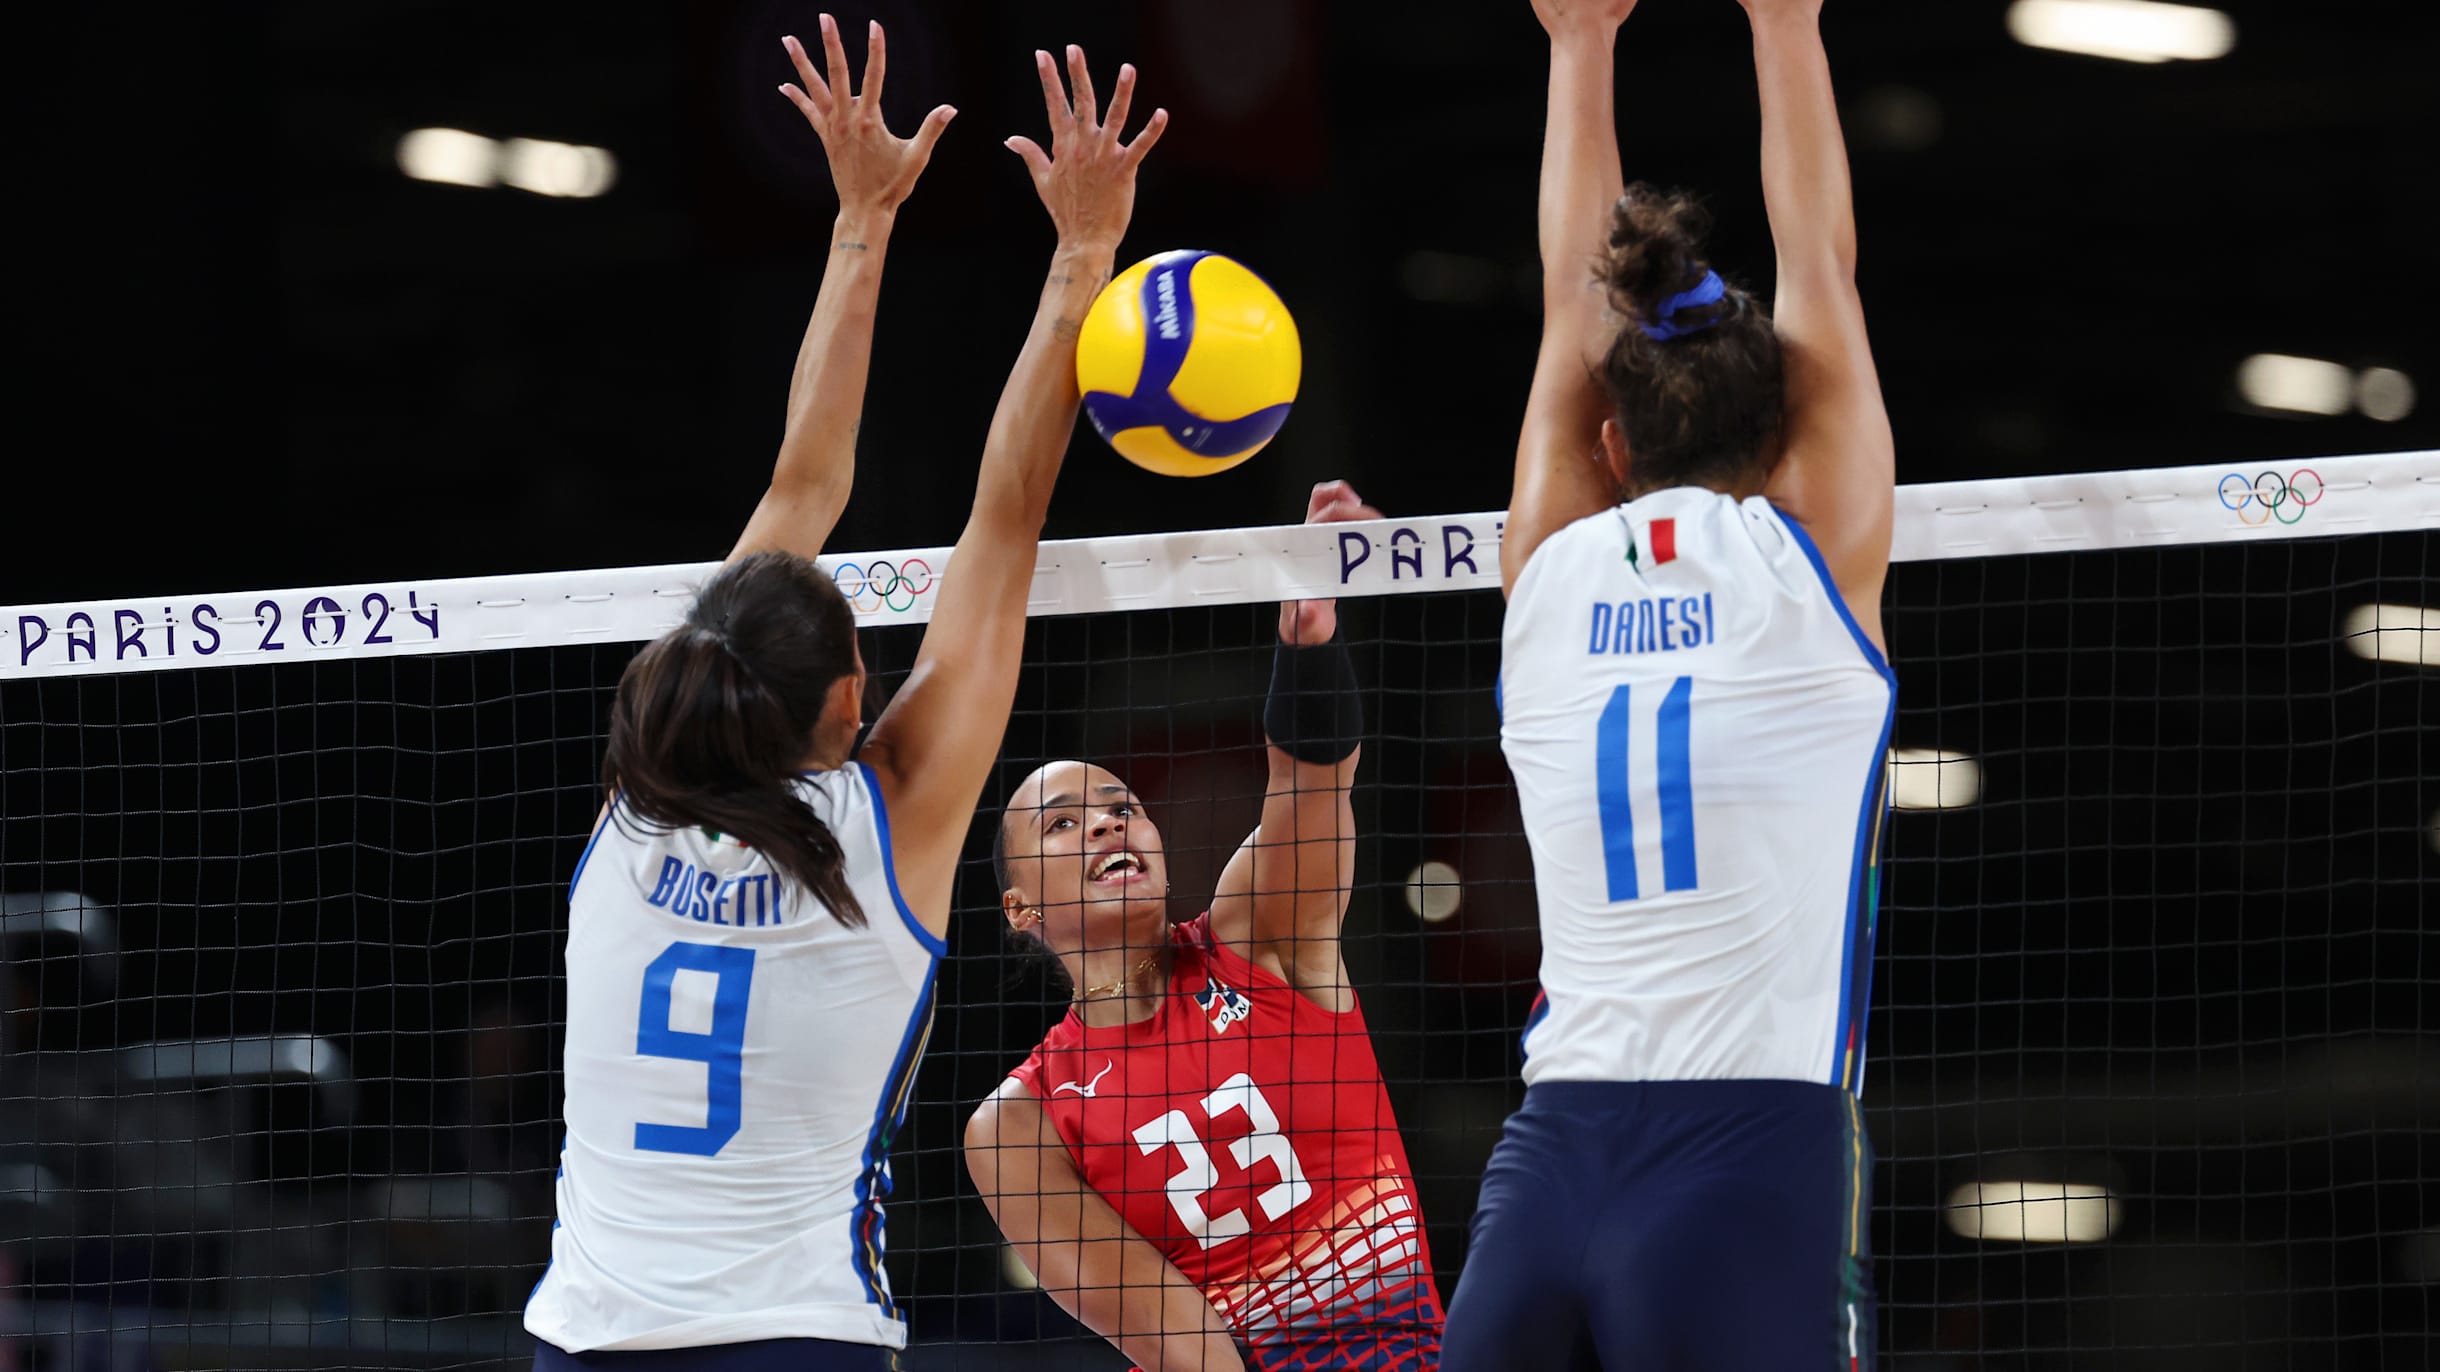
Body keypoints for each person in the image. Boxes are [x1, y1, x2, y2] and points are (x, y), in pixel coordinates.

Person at [523, 21, 1166, 1368]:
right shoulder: (886, 823)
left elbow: (804, 491)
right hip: (792, 1341)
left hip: (582, 1341)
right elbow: (1002, 519)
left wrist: (861, 221)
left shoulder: (638, 799)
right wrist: (1081, 256)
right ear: (844, 706)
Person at [1437, 0, 1896, 1368]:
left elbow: (1566, 301)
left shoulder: (1548, 570)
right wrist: (1789, 21)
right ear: (1782, 431)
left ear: (1611, 448)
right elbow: (1822, 260)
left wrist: (1575, 39)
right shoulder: (1807, 566)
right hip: (1746, 1156)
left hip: (1551, 1156)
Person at [965, 481, 1445, 1372]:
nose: (1107, 823)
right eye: (1062, 823)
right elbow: (1171, 1340)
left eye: (1124, 806)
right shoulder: (1019, 1125)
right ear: (1021, 909)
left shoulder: (1256, 939)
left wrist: (1307, 637)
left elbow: (1312, 780)